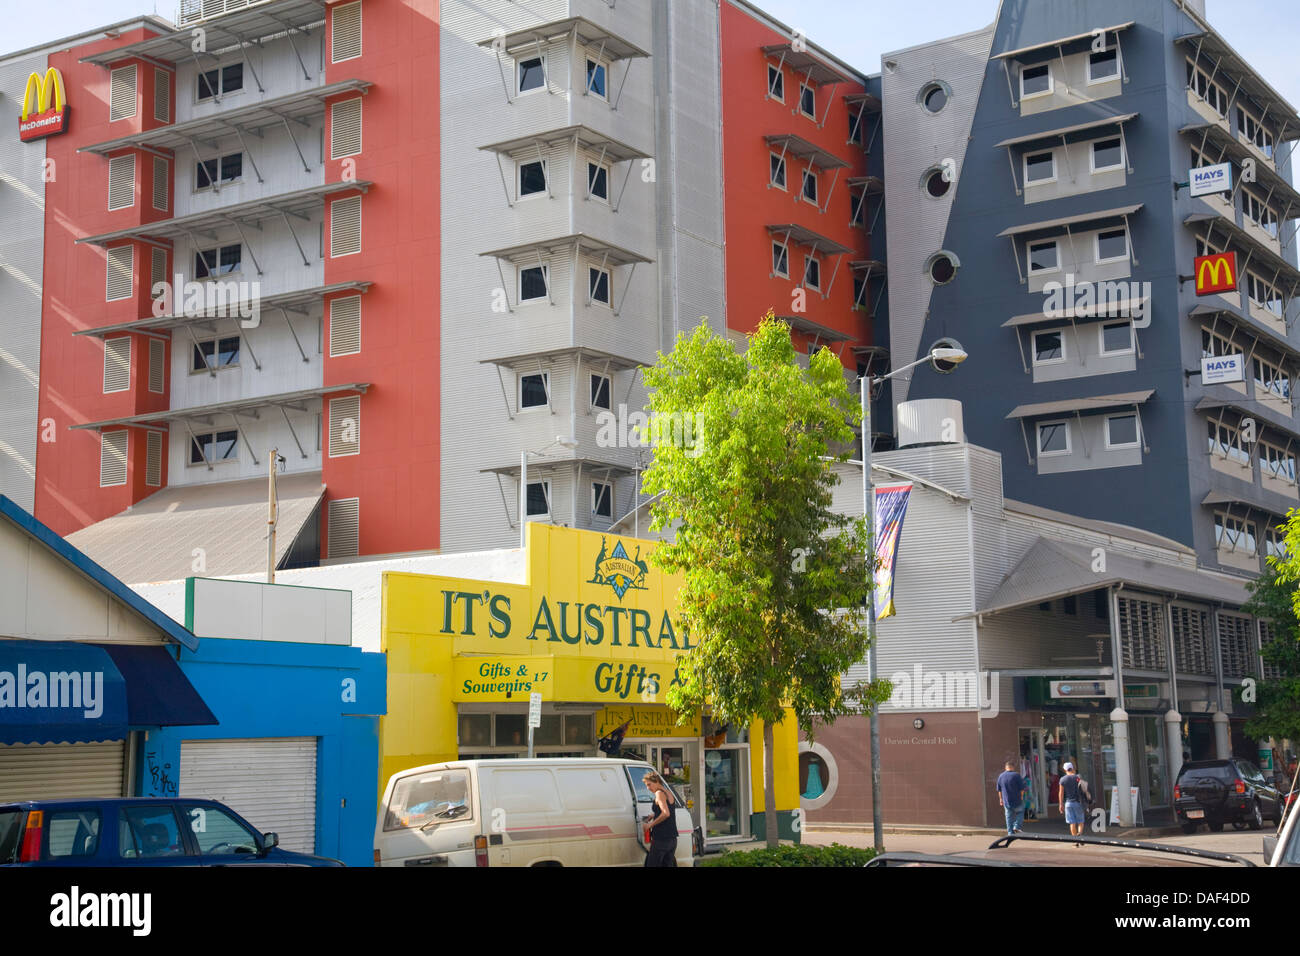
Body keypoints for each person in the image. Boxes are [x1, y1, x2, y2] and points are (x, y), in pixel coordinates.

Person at [642, 771, 678, 867]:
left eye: (649, 784)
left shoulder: (659, 793)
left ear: (657, 781)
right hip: (672, 839)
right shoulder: (668, 792)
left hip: (661, 839)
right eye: (646, 785)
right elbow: (667, 809)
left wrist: (650, 825)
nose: (648, 788)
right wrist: (654, 815)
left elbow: (666, 813)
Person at [1058, 761, 1090, 842]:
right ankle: (1079, 834)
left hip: (1068, 803)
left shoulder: (1062, 779)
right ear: (1072, 768)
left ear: (1065, 770)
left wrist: (1061, 804)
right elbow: (1084, 788)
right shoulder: (1077, 778)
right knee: (1080, 822)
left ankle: (1075, 840)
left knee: (1072, 823)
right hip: (1078, 802)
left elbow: (1061, 793)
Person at [996, 760, 1025, 836]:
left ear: (1006, 767)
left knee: (1008, 817)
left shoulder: (1001, 776)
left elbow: (999, 790)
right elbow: (1022, 789)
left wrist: (1000, 799)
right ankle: (1016, 826)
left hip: (1006, 800)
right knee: (1020, 812)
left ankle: (1010, 833)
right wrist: (1021, 796)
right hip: (1017, 799)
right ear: (1013, 767)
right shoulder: (1016, 775)